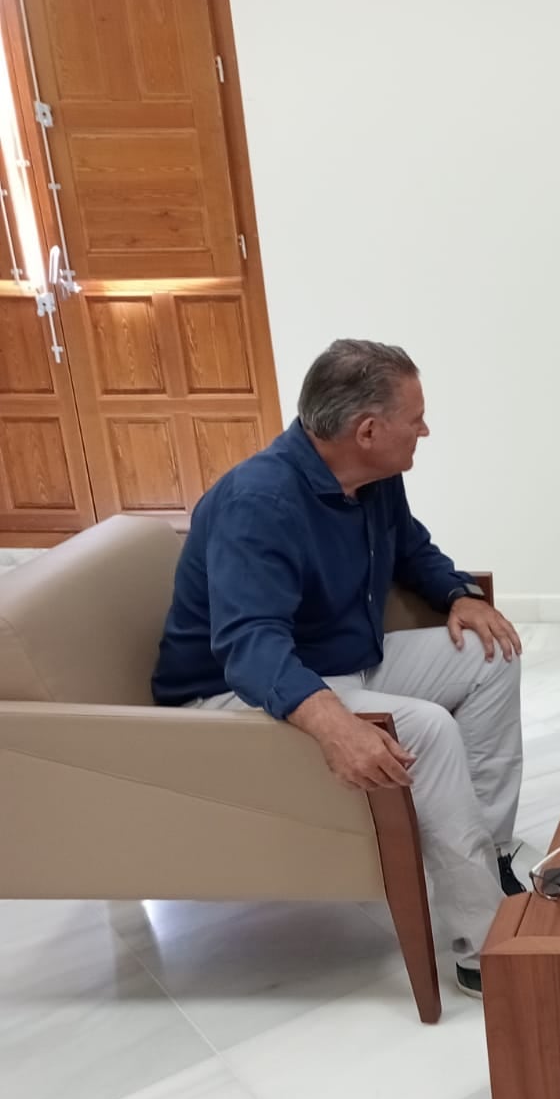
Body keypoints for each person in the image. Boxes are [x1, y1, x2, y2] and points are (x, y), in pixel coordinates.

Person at [151, 339, 526, 1001]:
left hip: (340, 661)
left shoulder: (374, 477)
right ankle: (483, 945)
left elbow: (411, 546)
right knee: (430, 728)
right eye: (417, 417)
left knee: (490, 659)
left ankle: (486, 860)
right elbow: (248, 643)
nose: (426, 430)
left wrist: (459, 594)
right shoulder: (258, 502)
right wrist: (329, 722)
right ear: (368, 430)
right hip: (235, 695)